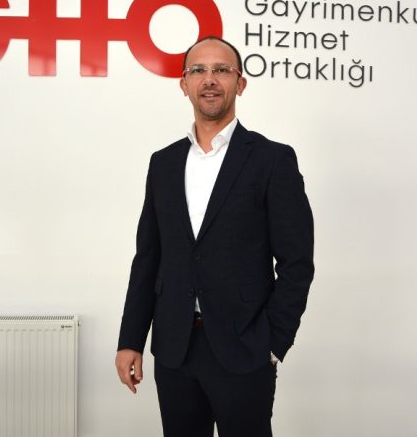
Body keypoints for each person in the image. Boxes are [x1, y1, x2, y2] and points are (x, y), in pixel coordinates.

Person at [115, 36, 314, 437]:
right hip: (174, 349)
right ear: (183, 84)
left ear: (240, 83)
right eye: (198, 70)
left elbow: (296, 263)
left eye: (222, 70)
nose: (210, 79)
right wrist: (130, 339)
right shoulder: (163, 163)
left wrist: (273, 343)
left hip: (244, 349)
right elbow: (148, 257)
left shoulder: (273, 160)